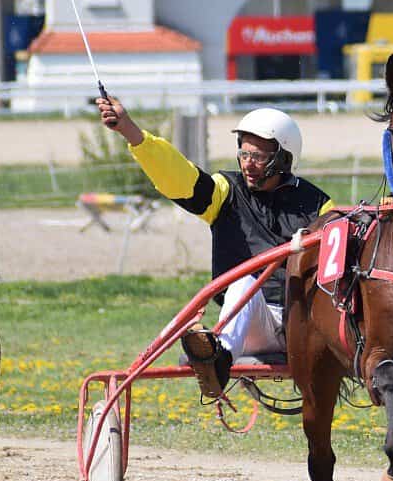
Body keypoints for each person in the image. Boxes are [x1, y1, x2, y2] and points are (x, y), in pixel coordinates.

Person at [95, 95, 331, 397]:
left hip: (301, 324)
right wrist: (130, 131)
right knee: (242, 279)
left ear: (284, 159)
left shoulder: (320, 206)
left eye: (258, 156)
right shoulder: (225, 192)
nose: (248, 163)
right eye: (244, 153)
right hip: (250, 326)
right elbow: (179, 177)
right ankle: (217, 360)